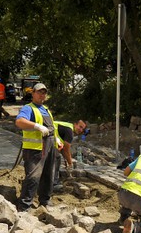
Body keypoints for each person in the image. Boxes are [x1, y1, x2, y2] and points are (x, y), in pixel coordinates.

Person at [15, 82, 58, 211]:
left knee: (48, 175)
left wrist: (57, 141)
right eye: (39, 92)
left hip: (49, 146)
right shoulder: (28, 108)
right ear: (33, 93)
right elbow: (19, 122)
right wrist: (36, 126)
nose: (42, 95)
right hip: (35, 149)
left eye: (44, 92)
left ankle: (45, 201)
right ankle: (24, 206)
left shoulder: (45, 109)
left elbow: (51, 127)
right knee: (33, 177)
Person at [53, 120, 88, 190]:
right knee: (56, 159)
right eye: (80, 127)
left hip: (48, 139)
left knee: (55, 158)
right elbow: (66, 149)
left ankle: (49, 182)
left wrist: (66, 159)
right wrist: (70, 163)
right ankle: (54, 184)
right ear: (75, 124)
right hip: (46, 139)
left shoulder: (67, 127)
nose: (80, 130)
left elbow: (63, 148)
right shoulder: (69, 131)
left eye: (82, 129)